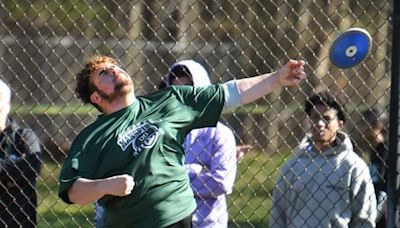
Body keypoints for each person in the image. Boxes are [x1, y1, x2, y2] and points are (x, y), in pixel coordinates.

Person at [58, 55, 305, 227]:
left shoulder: (169, 100)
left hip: (177, 216)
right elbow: (73, 190)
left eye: (115, 65)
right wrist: (106, 186)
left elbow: (229, 93)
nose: (114, 69)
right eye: (104, 73)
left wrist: (277, 79)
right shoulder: (92, 137)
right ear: (96, 97)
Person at [269, 91, 377, 228]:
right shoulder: (291, 167)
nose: (320, 123)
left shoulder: (354, 167)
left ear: (340, 124)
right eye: (315, 117)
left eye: (327, 118)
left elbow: (364, 219)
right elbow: (277, 217)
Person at [166, 60, 237, 227]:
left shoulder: (220, 134)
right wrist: (196, 170)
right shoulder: (166, 132)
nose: (183, 96)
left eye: (189, 89)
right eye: (176, 90)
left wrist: (173, 178)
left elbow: (221, 183)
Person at [0, 79, 42, 227]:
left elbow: (33, 166)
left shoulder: (24, 136)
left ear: (8, 105)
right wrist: (12, 174)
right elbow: (23, 169)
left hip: (18, 221)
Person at [360, 108, 388, 227]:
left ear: (377, 125)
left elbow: (385, 191)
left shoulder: (386, 152)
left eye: (363, 124)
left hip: (380, 218)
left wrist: (373, 217)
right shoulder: (371, 151)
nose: (360, 129)